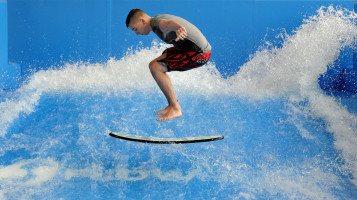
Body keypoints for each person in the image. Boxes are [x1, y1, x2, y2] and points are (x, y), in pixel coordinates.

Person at [125, 9, 211, 121]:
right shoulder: (156, 19)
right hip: (191, 50)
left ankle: (175, 108)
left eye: (135, 29)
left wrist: (178, 27)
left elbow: (168, 24)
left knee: (155, 68)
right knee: (159, 60)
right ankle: (172, 104)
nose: (136, 33)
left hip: (200, 54)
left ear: (143, 21)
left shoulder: (157, 23)